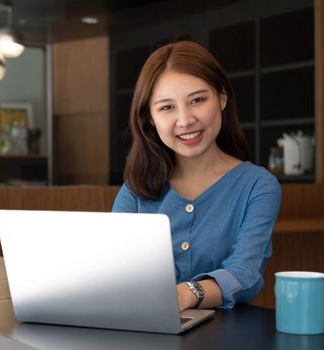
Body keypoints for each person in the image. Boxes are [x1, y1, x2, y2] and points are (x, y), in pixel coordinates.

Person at [112, 41, 281, 311]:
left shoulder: (258, 186)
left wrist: (187, 293)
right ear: (151, 119)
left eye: (197, 100)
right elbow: (113, 268)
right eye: (167, 107)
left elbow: (245, 273)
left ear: (222, 98)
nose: (185, 120)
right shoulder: (134, 189)